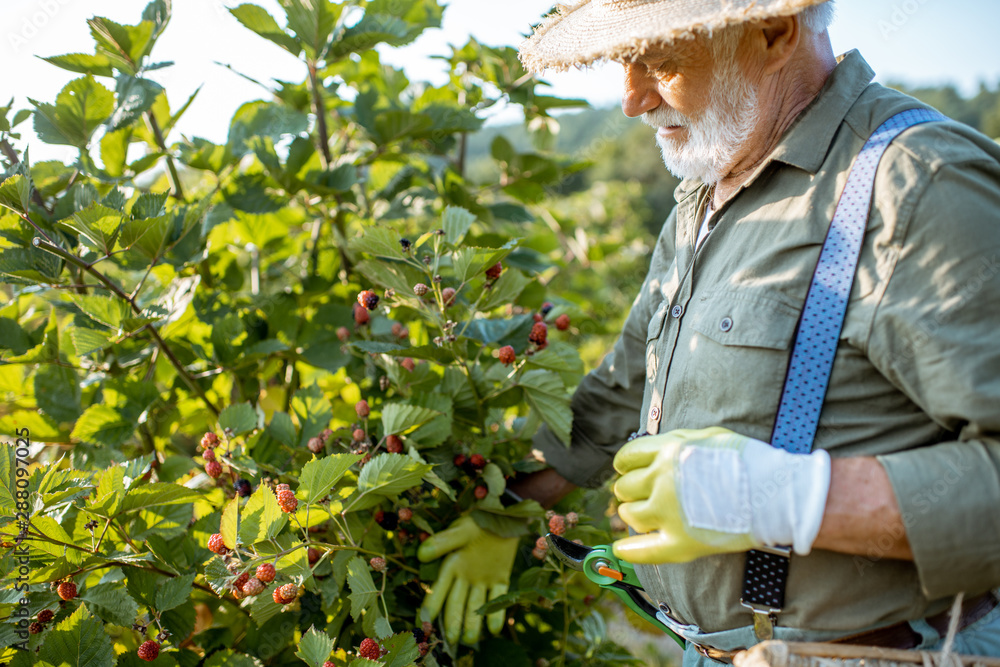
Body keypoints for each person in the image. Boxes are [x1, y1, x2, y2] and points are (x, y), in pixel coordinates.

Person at [416, 0, 1000, 662]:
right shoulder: (710, 188)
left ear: (775, 33)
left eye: (661, 61)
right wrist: (509, 505)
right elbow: (624, 384)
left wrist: (781, 498)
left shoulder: (918, 188)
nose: (632, 99)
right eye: (623, 61)